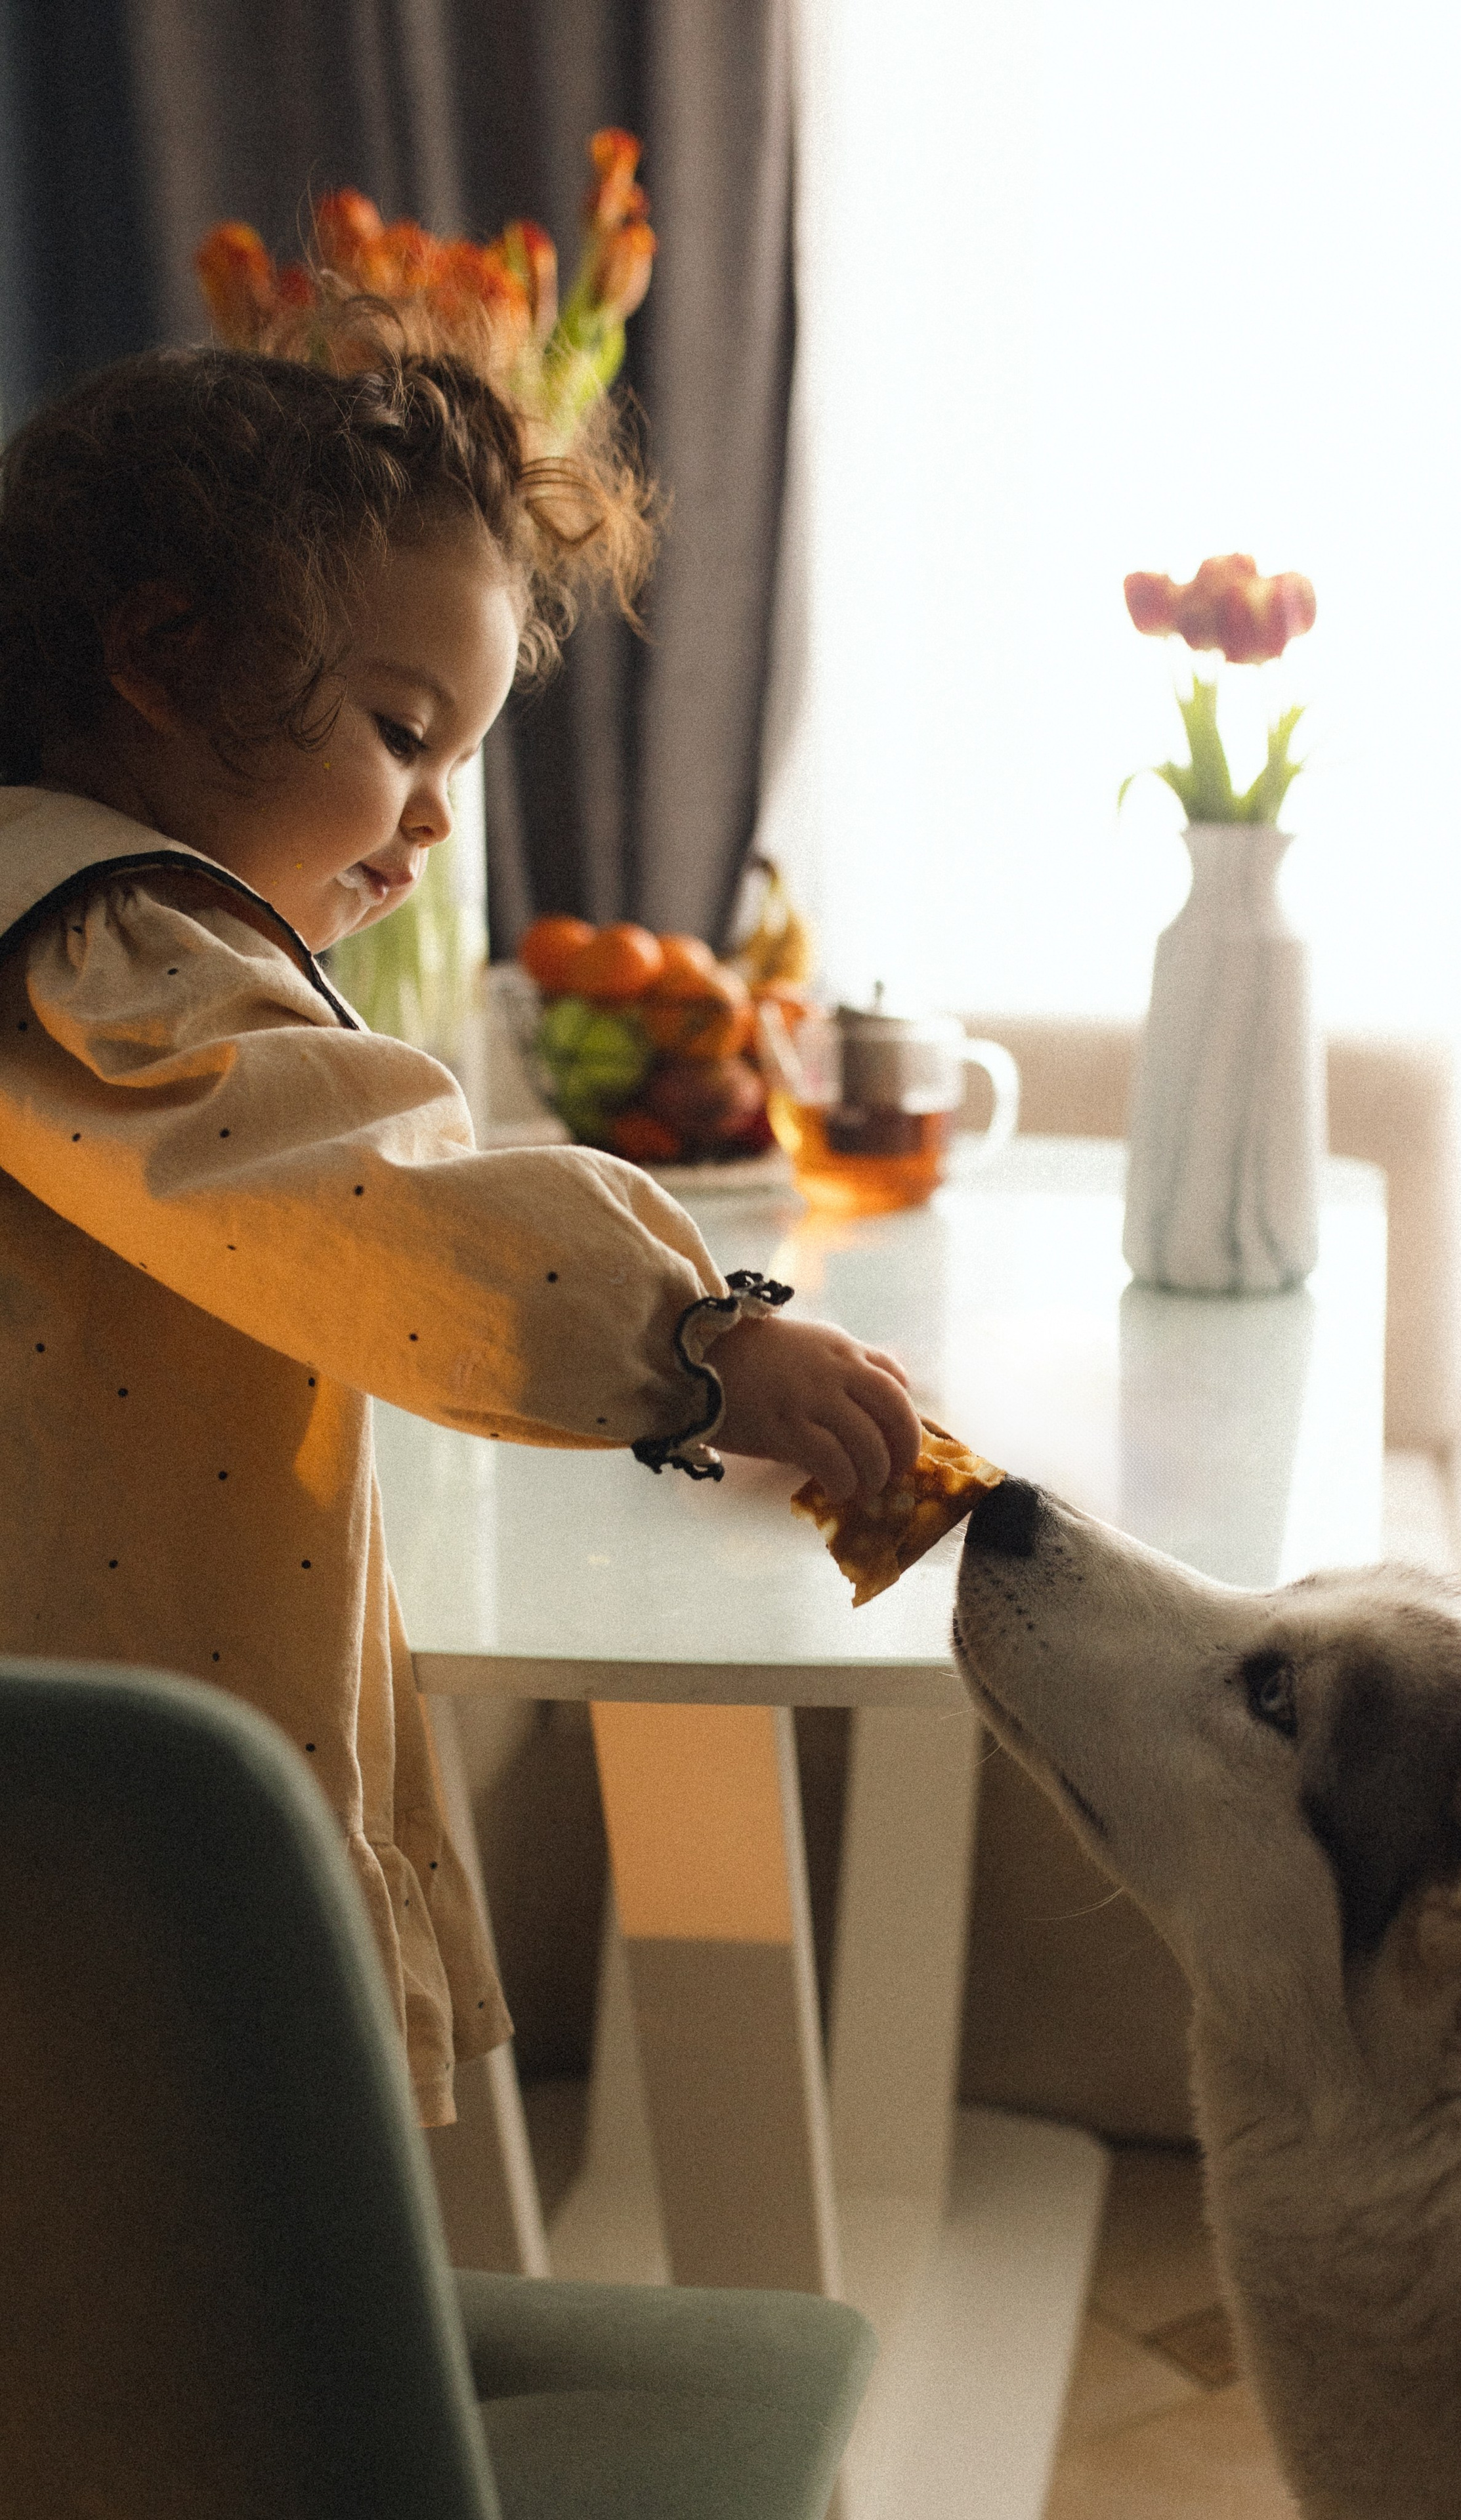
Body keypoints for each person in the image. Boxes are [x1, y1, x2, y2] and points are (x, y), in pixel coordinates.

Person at [0, 341, 921, 2127]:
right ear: (162, 659)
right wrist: (697, 1335)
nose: (434, 817)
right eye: (402, 734)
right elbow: (375, 1194)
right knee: (178, 2178)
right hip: (109, 1774)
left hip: (112, 1729)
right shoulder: (107, 949)